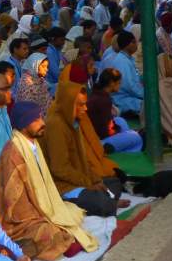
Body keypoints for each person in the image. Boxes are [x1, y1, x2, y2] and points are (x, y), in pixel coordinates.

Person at [0, 101, 99, 261]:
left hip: (39, 206)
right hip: (19, 218)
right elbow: (15, 203)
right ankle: (62, 242)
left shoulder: (33, 143)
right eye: (35, 120)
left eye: (41, 117)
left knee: (71, 212)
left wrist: (48, 210)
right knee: (48, 231)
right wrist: (43, 215)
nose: (42, 123)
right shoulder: (13, 153)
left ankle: (62, 236)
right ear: (23, 124)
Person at [40, 80, 120, 217]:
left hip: (78, 179)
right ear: (69, 104)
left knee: (114, 181)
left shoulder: (72, 120)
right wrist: (89, 184)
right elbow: (60, 169)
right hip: (62, 186)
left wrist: (95, 180)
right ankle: (104, 201)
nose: (86, 109)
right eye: (81, 105)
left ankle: (104, 198)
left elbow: (81, 159)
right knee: (103, 203)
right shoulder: (56, 125)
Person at [87, 68, 144, 152]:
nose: (120, 85)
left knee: (120, 120)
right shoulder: (103, 100)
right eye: (119, 83)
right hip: (100, 139)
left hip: (98, 133)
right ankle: (106, 146)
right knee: (135, 137)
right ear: (111, 83)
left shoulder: (98, 93)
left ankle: (122, 141)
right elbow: (105, 131)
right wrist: (119, 131)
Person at [104, 30, 143, 114]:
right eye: (133, 42)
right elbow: (130, 86)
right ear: (126, 45)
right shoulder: (122, 61)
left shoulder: (128, 58)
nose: (136, 45)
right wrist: (146, 94)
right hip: (121, 99)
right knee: (149, 105)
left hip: (129, 96)